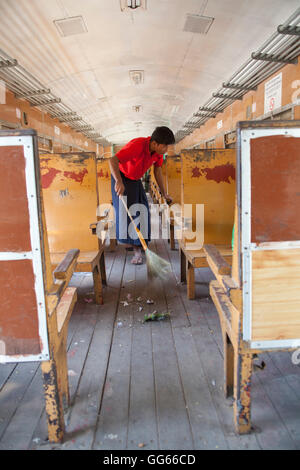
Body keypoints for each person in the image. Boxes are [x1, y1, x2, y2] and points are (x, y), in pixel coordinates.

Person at [109, 126, 175, 264]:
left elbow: (157, 171)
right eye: (165, 147)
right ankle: (136, 250)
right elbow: (112, 160)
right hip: (121, 177)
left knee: (143, 211)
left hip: (135, 179)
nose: (166, 150)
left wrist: (164, 193)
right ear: (155, 143)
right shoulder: (137, 145)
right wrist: (119, 182)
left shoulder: (157, 154)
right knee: (130, 215)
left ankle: (140, 243)